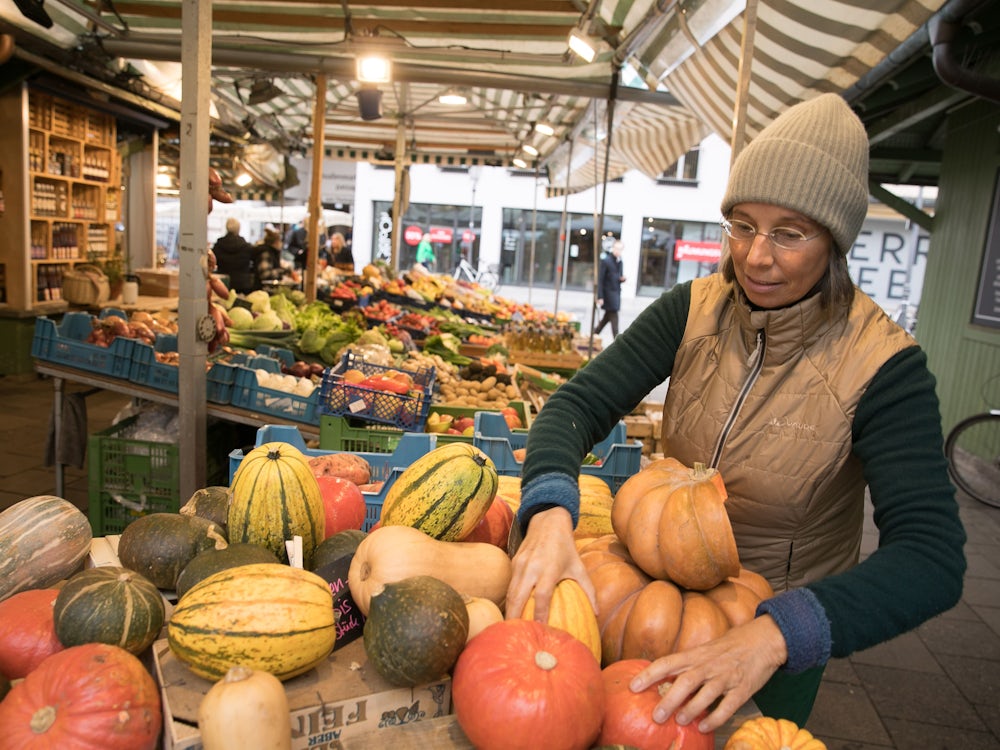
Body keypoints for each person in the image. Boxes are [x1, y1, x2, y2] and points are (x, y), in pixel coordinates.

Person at [504, 94, 966, 732]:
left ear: (834, 239)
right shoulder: (693, 309)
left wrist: (778, 635)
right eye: (742, 224)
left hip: (769, 640)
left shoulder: (885, 366)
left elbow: (931, 557)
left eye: (789, 233)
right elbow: (578, 403)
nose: (755, 256)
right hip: (649, 602)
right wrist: (551, 512)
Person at [211, 217, 256, 294]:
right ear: (239, 229)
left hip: (223, 284)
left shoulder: (218, 246)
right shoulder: (246, 247)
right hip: (242, 285)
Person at [595, 239, 626, 337]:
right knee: (614, 322)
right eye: (616, 248)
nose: (618, 251)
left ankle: (593, 335)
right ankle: (617, 343)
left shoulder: (620, 262)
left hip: (615, 295)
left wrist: (622, 279)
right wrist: (600, 296)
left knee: (605, 320)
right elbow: (600, 280)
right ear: (613, 248)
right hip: (608, 296)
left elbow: (617, 277)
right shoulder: (606, 261)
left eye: (620, 249)